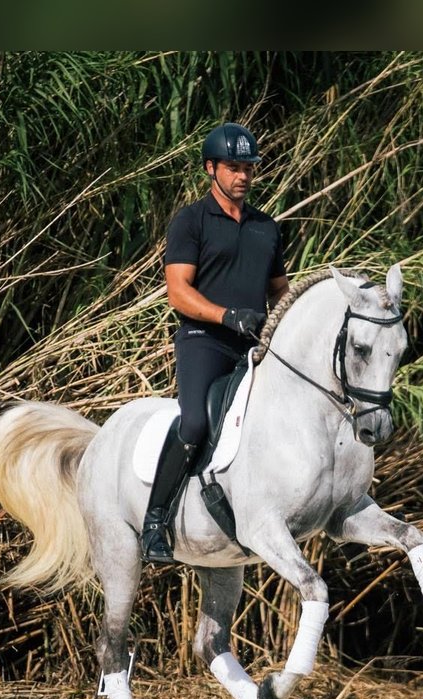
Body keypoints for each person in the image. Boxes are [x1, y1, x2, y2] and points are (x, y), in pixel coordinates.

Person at [140, 122, 290, 563]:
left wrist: (282, 319)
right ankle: (155, 522)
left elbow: (280, 289)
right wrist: (227, 315)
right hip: (205, 340)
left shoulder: (267, 227)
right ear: (211, 168)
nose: (243, 176)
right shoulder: (191, 220)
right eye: (233, 167)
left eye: (249, 168)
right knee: (194, 424)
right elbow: (178, 292)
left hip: (254, 348)